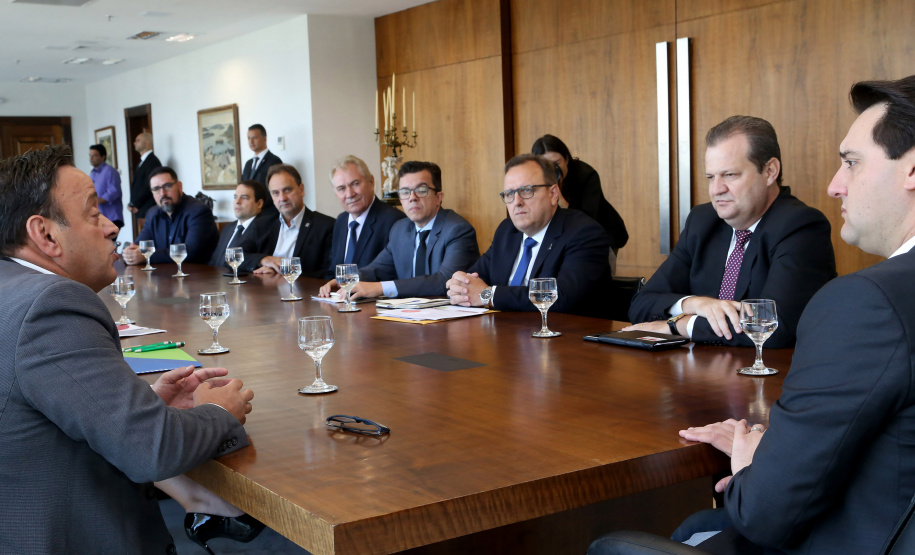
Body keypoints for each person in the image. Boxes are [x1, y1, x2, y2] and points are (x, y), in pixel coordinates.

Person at [591, 75, 915, 555]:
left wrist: (751, 465)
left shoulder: (864, 301)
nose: (834, 184)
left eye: (851, 162)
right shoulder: (704, 221)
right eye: (710, 178)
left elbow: (763, 514)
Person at [0, 144, 255, 553]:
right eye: (94, 212)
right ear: (45, 234)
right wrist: (220, 411)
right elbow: (151, 450)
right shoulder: (52, 305)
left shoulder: (12, 287)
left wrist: (144, 403)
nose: (112, 226)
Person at [626, 116, 837, 347]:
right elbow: (641, 304)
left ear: (769, 171)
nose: (716, 189)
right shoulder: (702, 220)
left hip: (770, 373)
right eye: (710, 177)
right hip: (698, 371)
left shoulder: (800, 226)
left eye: (730, 175)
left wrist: (678, 326)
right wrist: (695, 304)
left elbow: (775, 325)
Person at [446, 153, 610, 315]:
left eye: (526, 190)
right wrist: (461, 285)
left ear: (553, 194)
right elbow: (475, 278)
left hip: (564, 336)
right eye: (509, 194)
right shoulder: (507, 230)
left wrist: (487, 295)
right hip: (504, 332)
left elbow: (562, 297)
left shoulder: (583, 232)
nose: (517, 201)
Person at [319, 161, 479, 299]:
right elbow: (377, 269)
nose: (412, 197)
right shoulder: (400, 229)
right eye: (404, 192)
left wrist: (379, 288)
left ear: (439, 197)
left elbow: (443, 281)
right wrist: (345, 280)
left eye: (421, 190)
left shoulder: (458, 230)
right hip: (407, 317)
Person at [531, 134, 629, 253]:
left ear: (566, 159)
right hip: (565, 237)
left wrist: (559, 197)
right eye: (546, 165)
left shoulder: (586, 175)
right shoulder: (537, 180)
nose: (553, 169)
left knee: (598, 269)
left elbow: (586, 220)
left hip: (601, 232)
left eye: (556, 163)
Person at [324, 155, 406, 280]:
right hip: (340, 297)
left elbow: (393, 274)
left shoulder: (394, 220)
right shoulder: (341, 221)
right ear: (336, 194)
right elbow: (332, 272)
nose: (350, 194)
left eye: (355, 184)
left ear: (371, 182)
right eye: (341, 189)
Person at [248, 164, 334, 278]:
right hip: (264, 293)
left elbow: (328, 273)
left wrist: (282, 273)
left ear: (301, 190)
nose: (282, 198)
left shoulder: (326, 226)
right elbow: (235, 257)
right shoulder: (261, 225)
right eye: (276, 193)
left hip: (304, 293)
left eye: (287, 190)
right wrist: (263, 259)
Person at [121, 167, 220, 266]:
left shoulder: (199, 211)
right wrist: (130, 252)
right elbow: (139, 246)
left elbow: (190, 252)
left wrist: (147, 255)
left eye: (167, 186)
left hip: (200, 276)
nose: (162, 193)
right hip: (164, 277)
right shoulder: (152, 214)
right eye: (156, 189)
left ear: (179, 186)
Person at [208, 179, 270, 269]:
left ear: (259, 203)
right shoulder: (227, 228)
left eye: (244, 198)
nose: (237, 202)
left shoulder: (264, 229)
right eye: (235, 197)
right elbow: (214, 262)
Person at [241, 124, 281, 216]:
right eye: (248, 138)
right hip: (249, 213)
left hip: (267, 213)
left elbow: (276, 190)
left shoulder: (274, 161)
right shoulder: (248, 164)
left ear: (264, 139)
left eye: (254, 138)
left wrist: (257, 206)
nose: (251, 141)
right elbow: (243, 187)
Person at [127, 131, 161, 219]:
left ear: (147, 143)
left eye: (138, 140)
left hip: (148, 208)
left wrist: (136, 204)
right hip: (141, 209)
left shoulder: (152, 161)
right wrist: (132, 203)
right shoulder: (143, 161)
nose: (134, 143)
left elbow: (149, 185)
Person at [89, 143, 124, 228]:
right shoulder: (92, 173)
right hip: (99, 217)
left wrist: (96, 200)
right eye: (90, 155)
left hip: (112, 217)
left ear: (103, 156)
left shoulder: (110, 171)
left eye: (95, 155)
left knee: (109, 241)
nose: (91, 158)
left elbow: (114, 192)